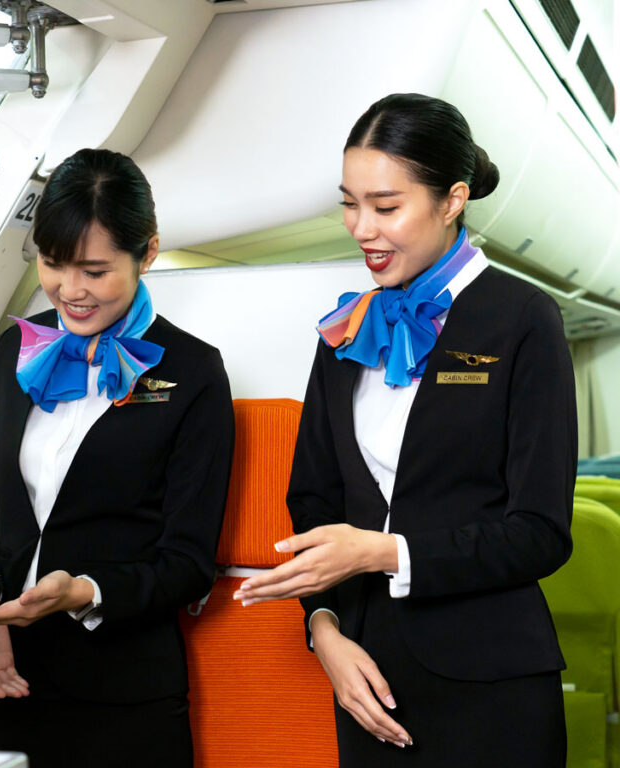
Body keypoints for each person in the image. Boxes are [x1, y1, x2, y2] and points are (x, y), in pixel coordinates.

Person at [234, 93, 575, 766]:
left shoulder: (522, 319)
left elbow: (539, 533)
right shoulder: (347, 329)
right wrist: (325, 631)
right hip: (367, 678)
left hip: (491, 683)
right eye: (349, 203)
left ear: (452, 201)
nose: (361, 228)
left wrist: (381, 553)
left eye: (386, 207)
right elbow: (314, 500)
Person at [0, 148, 235, 768]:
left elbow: (187, 560)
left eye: (95, 271)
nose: (69, 290)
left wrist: (85, 590)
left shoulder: (192, 373)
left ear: (147, 253)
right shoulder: (12, 354)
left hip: (125, 693)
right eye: (52, 264)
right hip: (6, 680)